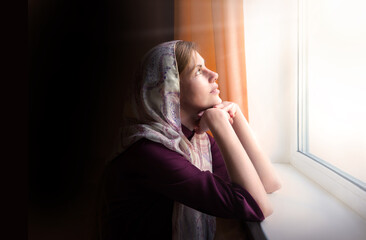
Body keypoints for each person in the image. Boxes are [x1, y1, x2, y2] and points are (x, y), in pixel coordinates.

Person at [99, 40, 282, 240]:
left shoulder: (194, 140)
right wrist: (219, 124)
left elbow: (268, 184)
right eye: (198, 71)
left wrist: (236, 117)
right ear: (169, 91)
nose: (214, 75)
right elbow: (257, 207)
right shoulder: (150, 151)